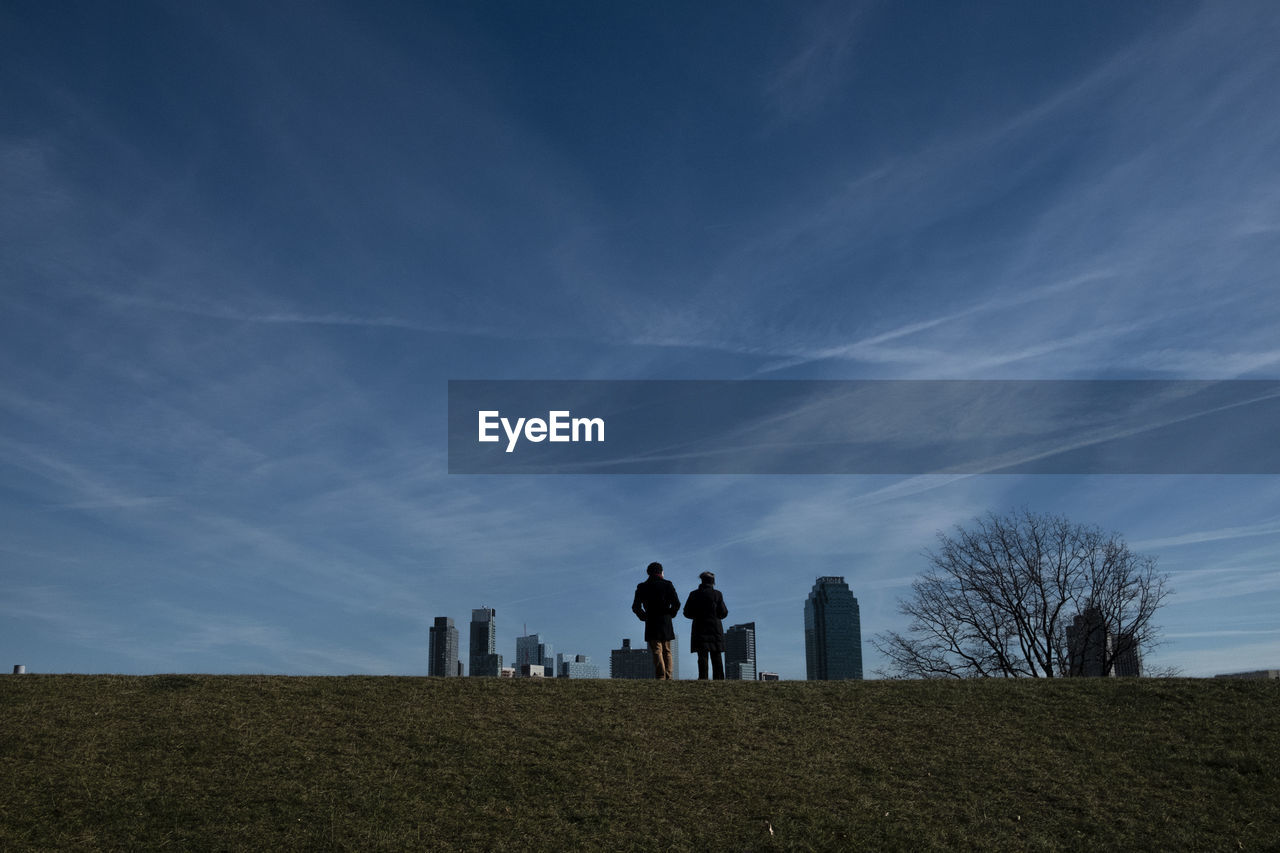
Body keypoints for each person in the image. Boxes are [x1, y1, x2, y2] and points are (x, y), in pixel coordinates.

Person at [631, 561, 681, 680]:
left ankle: (660, 676)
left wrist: (643, 617)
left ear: (649, 573)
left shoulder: (642, 587)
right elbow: (676, 603)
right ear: (661, 572)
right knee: (667, 650)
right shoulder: (668, 584)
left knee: (656, 650)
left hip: (651, 620)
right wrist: (671, 614)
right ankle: (669, 676)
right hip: (665, 620)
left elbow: (635, 606)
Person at [683, 571, 728, 680]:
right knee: (716, 655)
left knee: (702, 656)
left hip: (699, 628)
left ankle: (703, 678)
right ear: (713, 582)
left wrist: (696, 616)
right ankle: (719, 679)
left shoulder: (693, 594)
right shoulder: (717, 594)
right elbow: (724, 612)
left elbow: (686, 612)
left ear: (701, 581)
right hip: (715, 628)